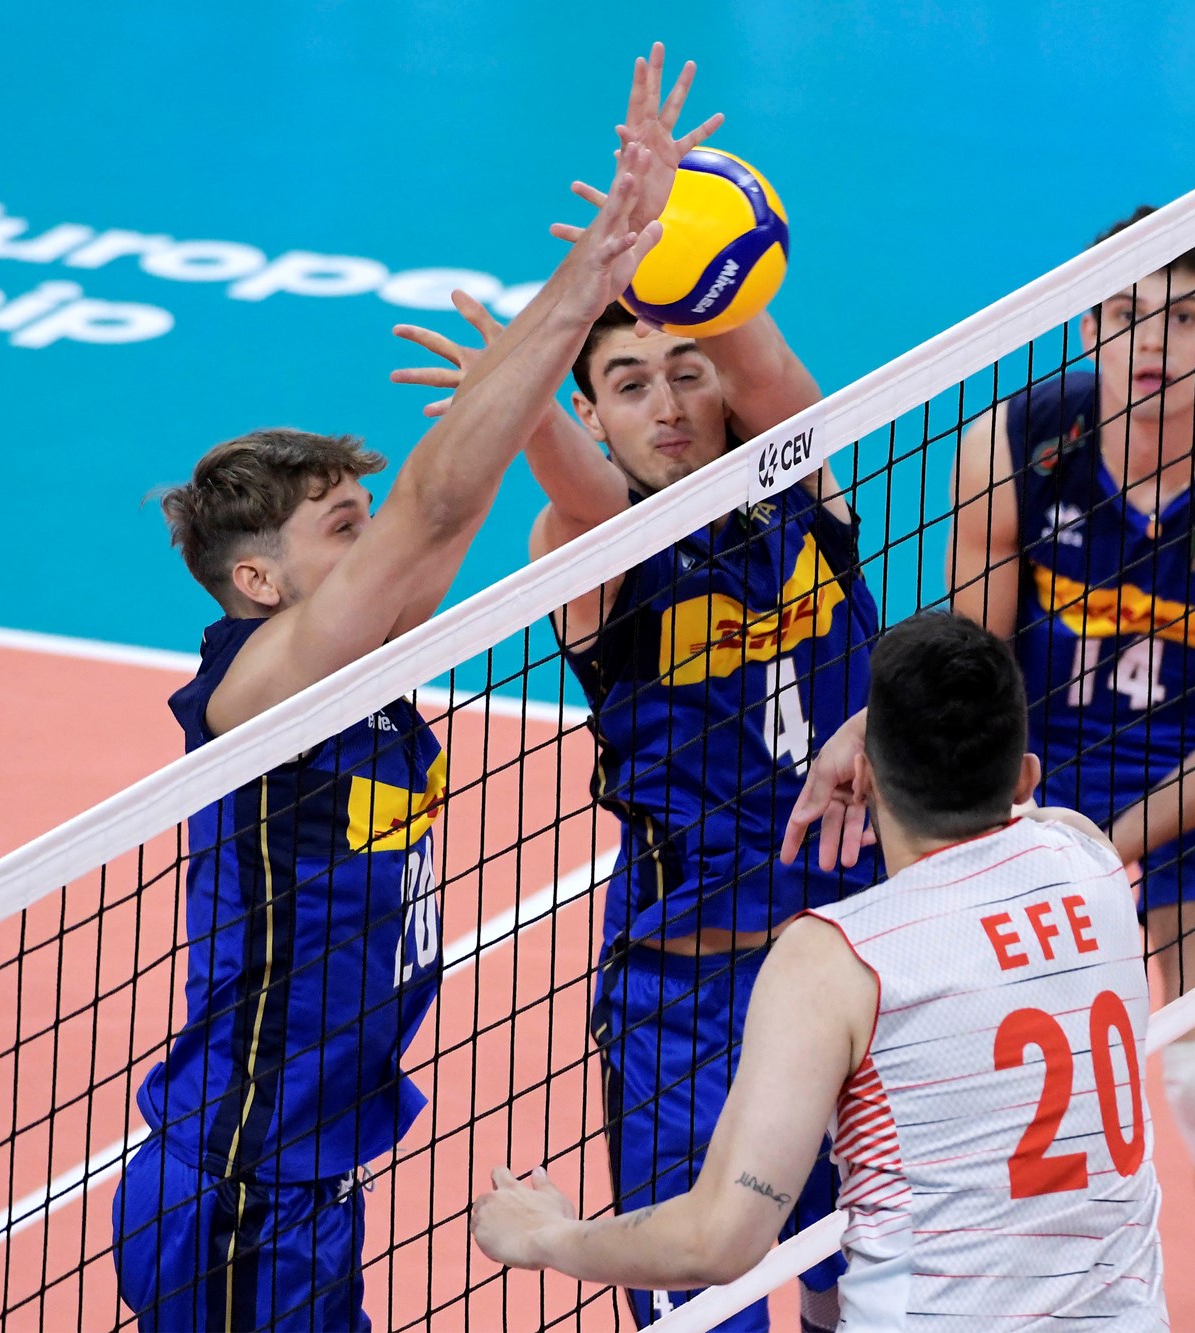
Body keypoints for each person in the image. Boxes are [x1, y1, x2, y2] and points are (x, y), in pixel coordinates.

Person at [109, 146, 665, 1331]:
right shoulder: (262, 686)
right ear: (256, 577)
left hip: (302, 1171)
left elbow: (432, 522)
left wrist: (543, 337)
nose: (374, 556)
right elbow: (436, 506)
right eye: (338, 534)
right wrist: (583, 285)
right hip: (235, 1185)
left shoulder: (369, 663)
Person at [391, 47, 875, 1333]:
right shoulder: (592, 551)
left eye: (683, 369)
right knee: (704, 1302)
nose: (665, 399)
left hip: (858, 956)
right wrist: (567, 320)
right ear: (589, 415)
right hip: (690, 989)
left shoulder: (799, 483)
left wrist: (670, 242)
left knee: (861, 1288)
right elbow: (576, 488)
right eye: (624, 382)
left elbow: (766, 369)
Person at [471, 612, 1167, 1329]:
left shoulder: (836, 958)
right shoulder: (1091, 866)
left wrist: (546, 1233)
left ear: (865, 771)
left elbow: (717, 1239)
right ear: (1024, 774)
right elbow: (1038, 815)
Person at [944, 206, 1195, 1333]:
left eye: (1179, 318)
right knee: (965, 1082)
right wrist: (1017, 821)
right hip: (1033, 777)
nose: (1149, 345)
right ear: (1087, 327)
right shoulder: (1012, 449)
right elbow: (974, 672)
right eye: (1124, 316)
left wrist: (1112, 844)